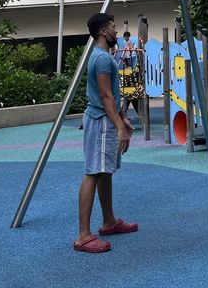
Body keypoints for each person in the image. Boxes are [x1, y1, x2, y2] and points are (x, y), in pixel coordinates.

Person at [74, 13, 138, 254]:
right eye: (113, 27)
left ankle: (109, 221)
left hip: (105, 119)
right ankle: (83, 236)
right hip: (100, 121)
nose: (116, 32)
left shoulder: (104, 56)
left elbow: (111, 93)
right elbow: (105, 96)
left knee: (105, 172)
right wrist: (120, 127)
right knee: (93, 172)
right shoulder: (101, 59)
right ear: (103, 32)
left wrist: (122, 118)